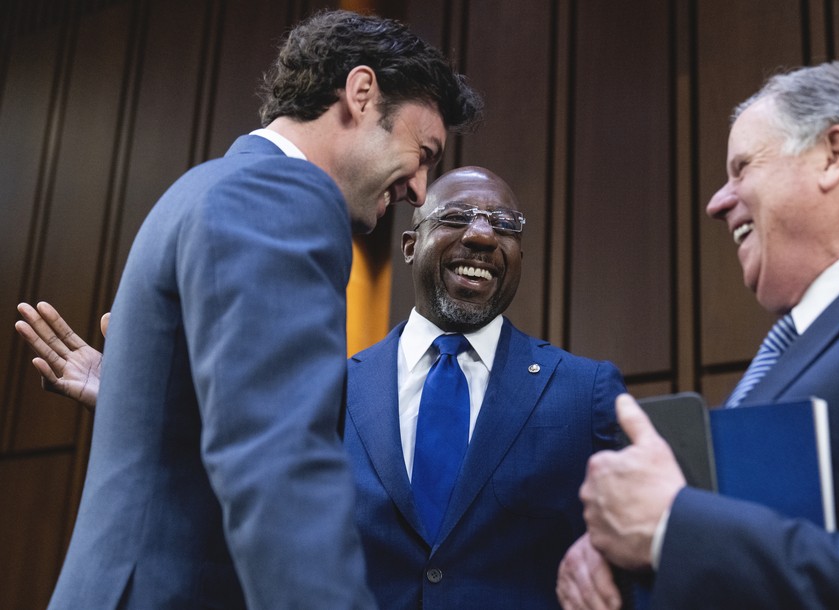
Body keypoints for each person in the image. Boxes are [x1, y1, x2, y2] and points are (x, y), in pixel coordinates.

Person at [22, 10, 482, 609]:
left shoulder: (207, 186)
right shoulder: (284, 197)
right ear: (361, 92)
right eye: (423, 153)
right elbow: (282, 467)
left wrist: (156, 404)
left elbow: (237, 416)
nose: (420, 189)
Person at [18, 167, 628, 609]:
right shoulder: (326, 388)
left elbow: (639, 542)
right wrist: (146, 406)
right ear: (411, 245)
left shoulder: (586, 393)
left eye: (504, 224)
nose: (482, 235)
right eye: (457, 217)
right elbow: (254, 492)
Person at [558, 61, 839, 609]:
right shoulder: (807, 342)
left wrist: (669, 528)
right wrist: (621, 556)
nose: (716, 203)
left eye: (742, 167)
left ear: (832, 155)